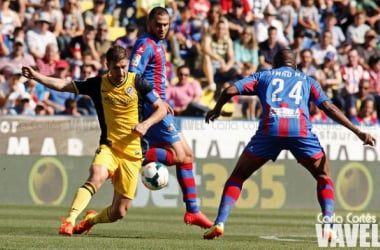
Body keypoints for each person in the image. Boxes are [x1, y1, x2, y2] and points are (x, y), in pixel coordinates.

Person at [203, 48, 376, 240]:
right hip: (300, 132)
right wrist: (358, 131)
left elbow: (229, 91)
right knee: (323, 176)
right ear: (295, 65)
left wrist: (217, 109)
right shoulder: (307, 80)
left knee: (238, 176)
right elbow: (328, 107)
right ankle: (328, 224)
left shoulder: (264, 76)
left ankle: (220, 222)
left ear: (275, 63)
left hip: (270, 131)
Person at [22, 45, 167, 236]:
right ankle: (69, 221)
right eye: (116, 68)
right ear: (107, 66)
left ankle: (91, 220)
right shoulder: (98, 84)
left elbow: (162, 108)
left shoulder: (137, 82)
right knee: (96, 176)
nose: (121, 72)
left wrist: (145, 125)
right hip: (110, 147)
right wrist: (37, 76)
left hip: (133, 154)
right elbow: (64, 85)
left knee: (119, 212)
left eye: (124, 67)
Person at [129, 6, 213, 228]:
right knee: (180, 156)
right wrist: (156, 100)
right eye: (158, 24)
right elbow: (133, 76)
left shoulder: (158, 43)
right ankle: (137, 155)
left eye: (166, 24)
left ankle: (193, 211)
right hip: (153, 109)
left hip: (160, 109)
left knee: (186, 156)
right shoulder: (145, 44)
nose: (163, 28)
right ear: (149, 23)